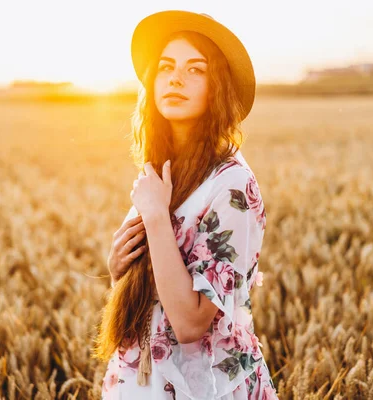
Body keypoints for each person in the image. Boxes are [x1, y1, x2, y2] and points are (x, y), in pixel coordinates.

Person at [92, 10, 279, 400]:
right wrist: (119, 271)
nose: (176, 78)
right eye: (166, 67)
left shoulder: (231, 184)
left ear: (218, 87)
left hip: (203, 386)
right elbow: (159, 281)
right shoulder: (164, 166)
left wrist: (157, 217)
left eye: (196, 69)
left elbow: (191, 322)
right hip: (145, 378)